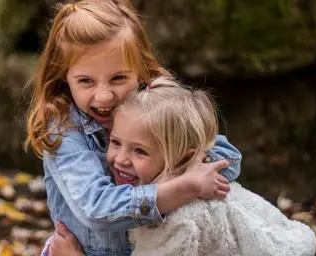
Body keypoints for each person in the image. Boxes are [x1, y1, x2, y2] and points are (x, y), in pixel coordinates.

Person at [24, 0, 242, 255]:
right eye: (86, 81)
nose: (104, 96)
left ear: (139, 69)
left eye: (118, 78)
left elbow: (227, 159)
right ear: (63, 76)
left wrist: (177, 173)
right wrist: (184, 187)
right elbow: (97, 208)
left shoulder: (154, 109)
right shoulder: (64, 127)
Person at [49, 76, 316, 256]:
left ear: (181, 157)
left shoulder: (181, 219)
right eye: (115, 142)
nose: (120, 159)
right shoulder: (186, 183)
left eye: (140, 151)